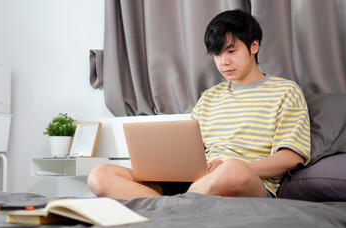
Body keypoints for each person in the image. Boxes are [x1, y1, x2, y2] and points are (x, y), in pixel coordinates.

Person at [87, 9, 310, 200]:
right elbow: (187, 151)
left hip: (245, 181)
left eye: (231, 51)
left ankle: (172, 206)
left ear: (254, 46)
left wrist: (231, 167)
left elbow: (291, 157)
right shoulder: (209, 97)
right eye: (217, 54)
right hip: (196, 181)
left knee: (233, 169)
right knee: (100, 174)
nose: (224, 62)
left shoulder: (285, 91)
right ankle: (175, 209)